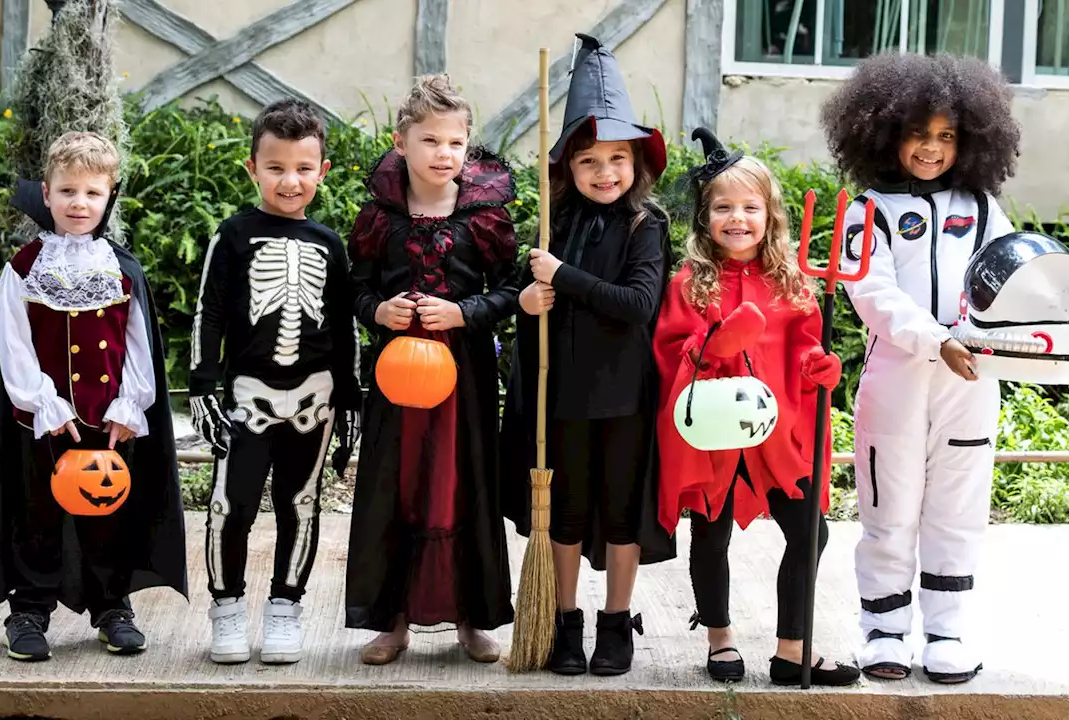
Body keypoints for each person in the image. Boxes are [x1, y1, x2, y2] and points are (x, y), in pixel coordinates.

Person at [820, 52, 1069, 683]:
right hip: (896, 384)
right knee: (890, 509)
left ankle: (947, 630)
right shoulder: (867, 211)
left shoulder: (985, 210)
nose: (931, 148)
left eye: (947, 136)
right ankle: (883, 628)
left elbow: (1024, 290)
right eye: (917, 133)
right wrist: (938, 341)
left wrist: (1061, 348)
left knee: (957, 509)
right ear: (884, 132)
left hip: (971, 384)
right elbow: (872, 295)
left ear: (971, 140)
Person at [652, 128, 860, 687]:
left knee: (810, 532)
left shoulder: (793, 284)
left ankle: (792, 650)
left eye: (750, 206)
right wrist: (710, 347)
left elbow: (805, 350)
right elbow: (672, 353)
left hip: (777, 433)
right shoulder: (690, 284)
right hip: (718, 433)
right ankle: (719, 639)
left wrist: (822, 369)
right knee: (712, 533)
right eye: (723, 207)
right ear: (704, 217)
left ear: (770, 216)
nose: (736, 218)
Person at [500, 33, 676, 678]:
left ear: (637, 165)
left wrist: (563, 277)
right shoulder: (555, 224)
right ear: (567, 171)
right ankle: (566, 622)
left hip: (625, 396)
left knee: (622, 510)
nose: (605, 173)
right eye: (589, 162)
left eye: (618, 160)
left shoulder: (645, 225)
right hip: (564, 396)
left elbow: (636, 304)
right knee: (566, 514)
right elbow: (537, 319)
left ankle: (615, 622)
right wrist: (530, 302)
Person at [0, 130, 187, 662]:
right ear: (47, 194)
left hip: (108, 420)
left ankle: (111, 607)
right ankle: (29, 610)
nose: (80, 203)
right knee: (36, 513)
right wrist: (41, 403)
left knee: (109, 512)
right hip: (43, 421)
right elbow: (15, 344)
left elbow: (141, 346)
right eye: (68, 191)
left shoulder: (122, 269)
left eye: (92, 193)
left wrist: (131, 404)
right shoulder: (24, 268)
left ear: (109, 197)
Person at [344, 74, 518, 666]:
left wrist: (464, 312)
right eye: (430, 141)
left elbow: (511, 290)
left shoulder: (485, 217)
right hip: (396, 377)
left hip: (462, 373)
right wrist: (378, 311)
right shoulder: (378, 216)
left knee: (462, 482)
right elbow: (353, 290)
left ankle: (472, 616)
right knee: (397, 484)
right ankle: (391, 621)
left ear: (468, 146)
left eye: (455, 143)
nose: (443, 154)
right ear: (401, 142)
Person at [188, 98, 361, 665]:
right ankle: (227, 608)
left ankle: (286, 606)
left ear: (322, 172)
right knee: (229, 506)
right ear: (253, 169)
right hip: (247, 396)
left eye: (303, 168)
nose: (290, 181)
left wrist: (352, 394)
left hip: (315, 396)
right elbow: (207, 311)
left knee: (301, 503)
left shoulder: (329, 243)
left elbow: (342, 323)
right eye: (276, 168)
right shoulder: (232, 234)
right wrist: (201, 385)